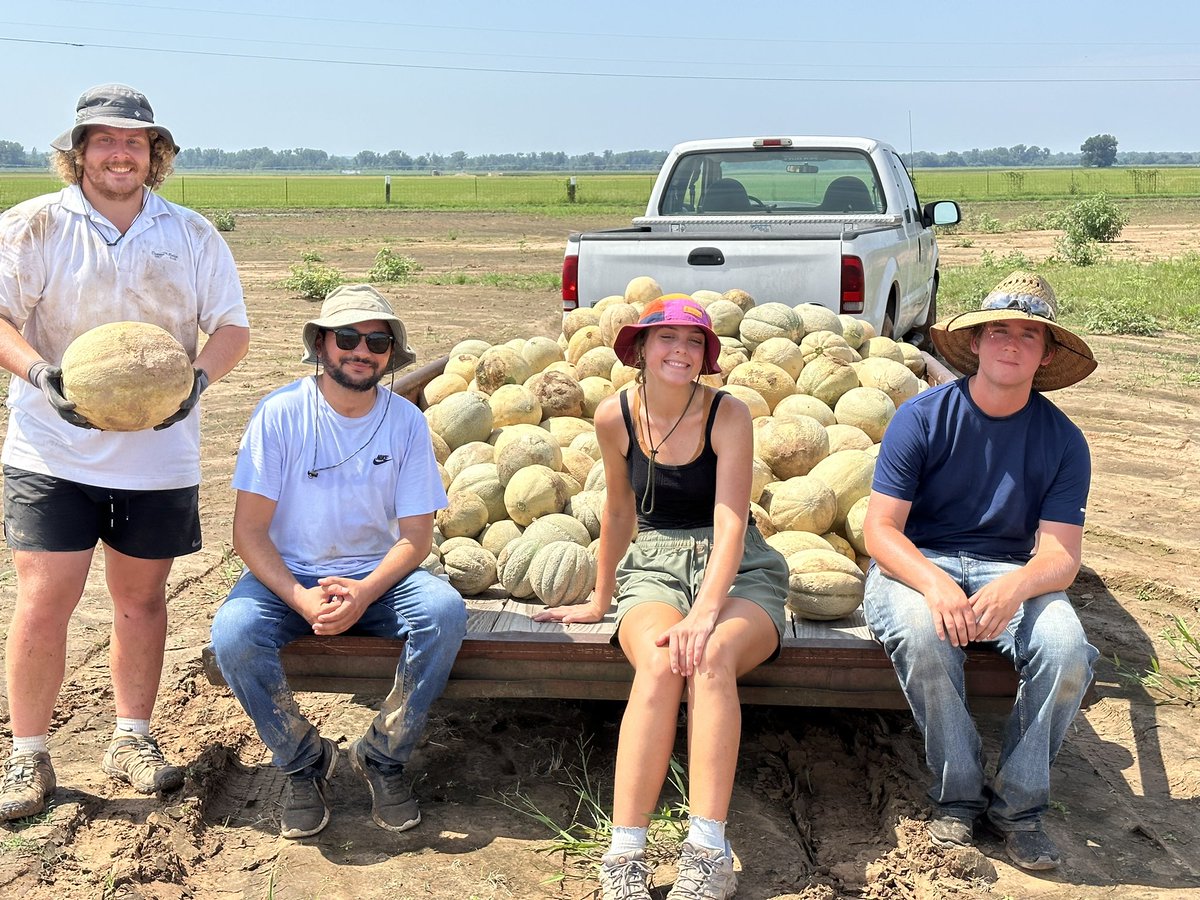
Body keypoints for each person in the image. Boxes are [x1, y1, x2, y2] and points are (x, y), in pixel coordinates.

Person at [0, 84, 250, 821]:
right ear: (78, 152)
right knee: (46, 601)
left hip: (158, 457)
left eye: (134, 142)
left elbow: (231, 328)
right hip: (51, 453)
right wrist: (41, 375)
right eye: (104, 140)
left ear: (155, 155)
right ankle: (27, 756)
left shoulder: (193, 234)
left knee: (141, 604)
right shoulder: (32, 226)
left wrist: (199, 380)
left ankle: (131, 739)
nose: (120, 153)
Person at [535, 295, 787, 900]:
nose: (681, 350)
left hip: (740, 567)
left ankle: (706, 851)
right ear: (641, 348)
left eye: (694, 341)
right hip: (653, 564)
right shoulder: (613, 416)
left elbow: (731, 520)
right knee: (657, 661)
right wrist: (600, 597)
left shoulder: (730, 415)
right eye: (667, 338)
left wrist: (706, 611)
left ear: (706, 356)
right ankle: (626, 853)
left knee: (708, 658)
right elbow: (619, 511)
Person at [861, 271, 1100, 871]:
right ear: (975, 342)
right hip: (918, 563)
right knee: (923, 632)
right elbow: (880, 531)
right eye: (998, 330)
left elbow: (1060, 556)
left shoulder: (1064, 441)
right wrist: (935, 582)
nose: (1011, 343)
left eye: (1028, 334)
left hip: (1009, 569)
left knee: (1068, 649)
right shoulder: (921, 417)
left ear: (1045, 353)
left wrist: (1016, 584)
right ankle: (958, 796)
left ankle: (1018, 809)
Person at [210, 285, 467, 840]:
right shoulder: (278, 415)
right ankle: (304, 761)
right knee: (233, 632)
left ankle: (382, 755)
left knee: (444, 611)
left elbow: (416, 539)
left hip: (379, 576)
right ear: (321, 344)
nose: (361, 350)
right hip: (291, 576)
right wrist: (301, 598)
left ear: (389, 353)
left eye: (376, 340)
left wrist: (365, 592)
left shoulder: (405, 423)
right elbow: (248, 534)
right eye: (347, 336)